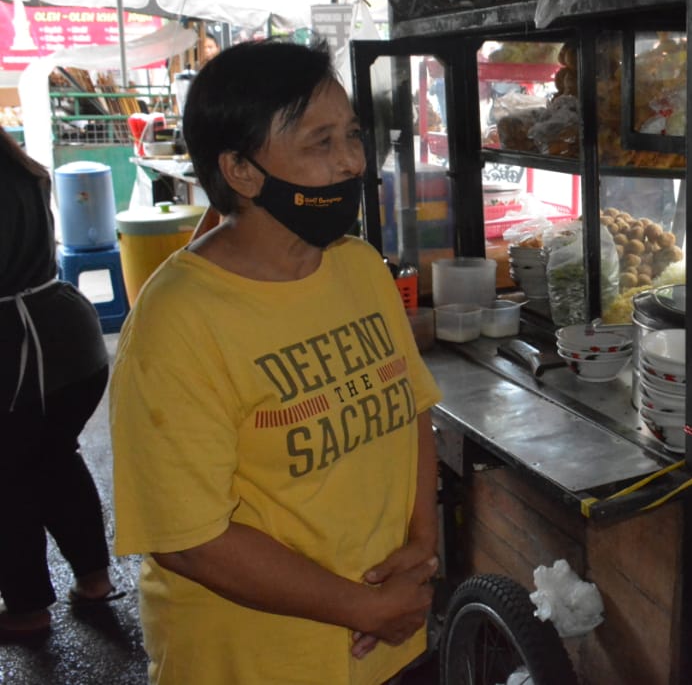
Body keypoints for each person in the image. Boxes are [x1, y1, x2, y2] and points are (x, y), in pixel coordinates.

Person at [109, 40, 442, 684]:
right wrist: (364, 606)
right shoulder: (179, 318)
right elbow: (189, 539)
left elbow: (412, 409)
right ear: (241, 169)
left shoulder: (358, 266)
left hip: (389, 637)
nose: (351, 161)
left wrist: (421, 549)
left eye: (351, 134)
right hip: (258, 659)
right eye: (320, 144)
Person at [0, 129, 118, 641]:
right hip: (73, 339)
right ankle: (93, 579)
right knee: (53, 458)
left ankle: (26, 609)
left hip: (20, 352)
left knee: (7, 481)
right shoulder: (22, 170)